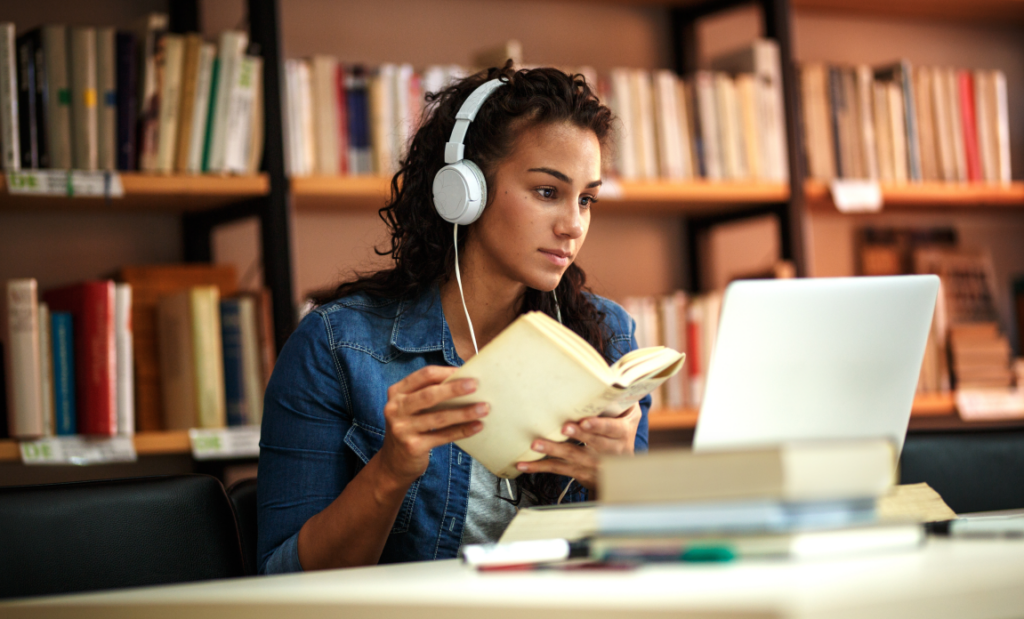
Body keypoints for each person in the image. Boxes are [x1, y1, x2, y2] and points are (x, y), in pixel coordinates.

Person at [257, 64, 650, 574]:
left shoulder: (607, 338)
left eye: (587, 199)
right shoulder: (335, 347)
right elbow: (283, 579)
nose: (573, 225)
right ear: (465, 192)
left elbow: (635, 567)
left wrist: (620, 483)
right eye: (547, 192)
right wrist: (391, 470)